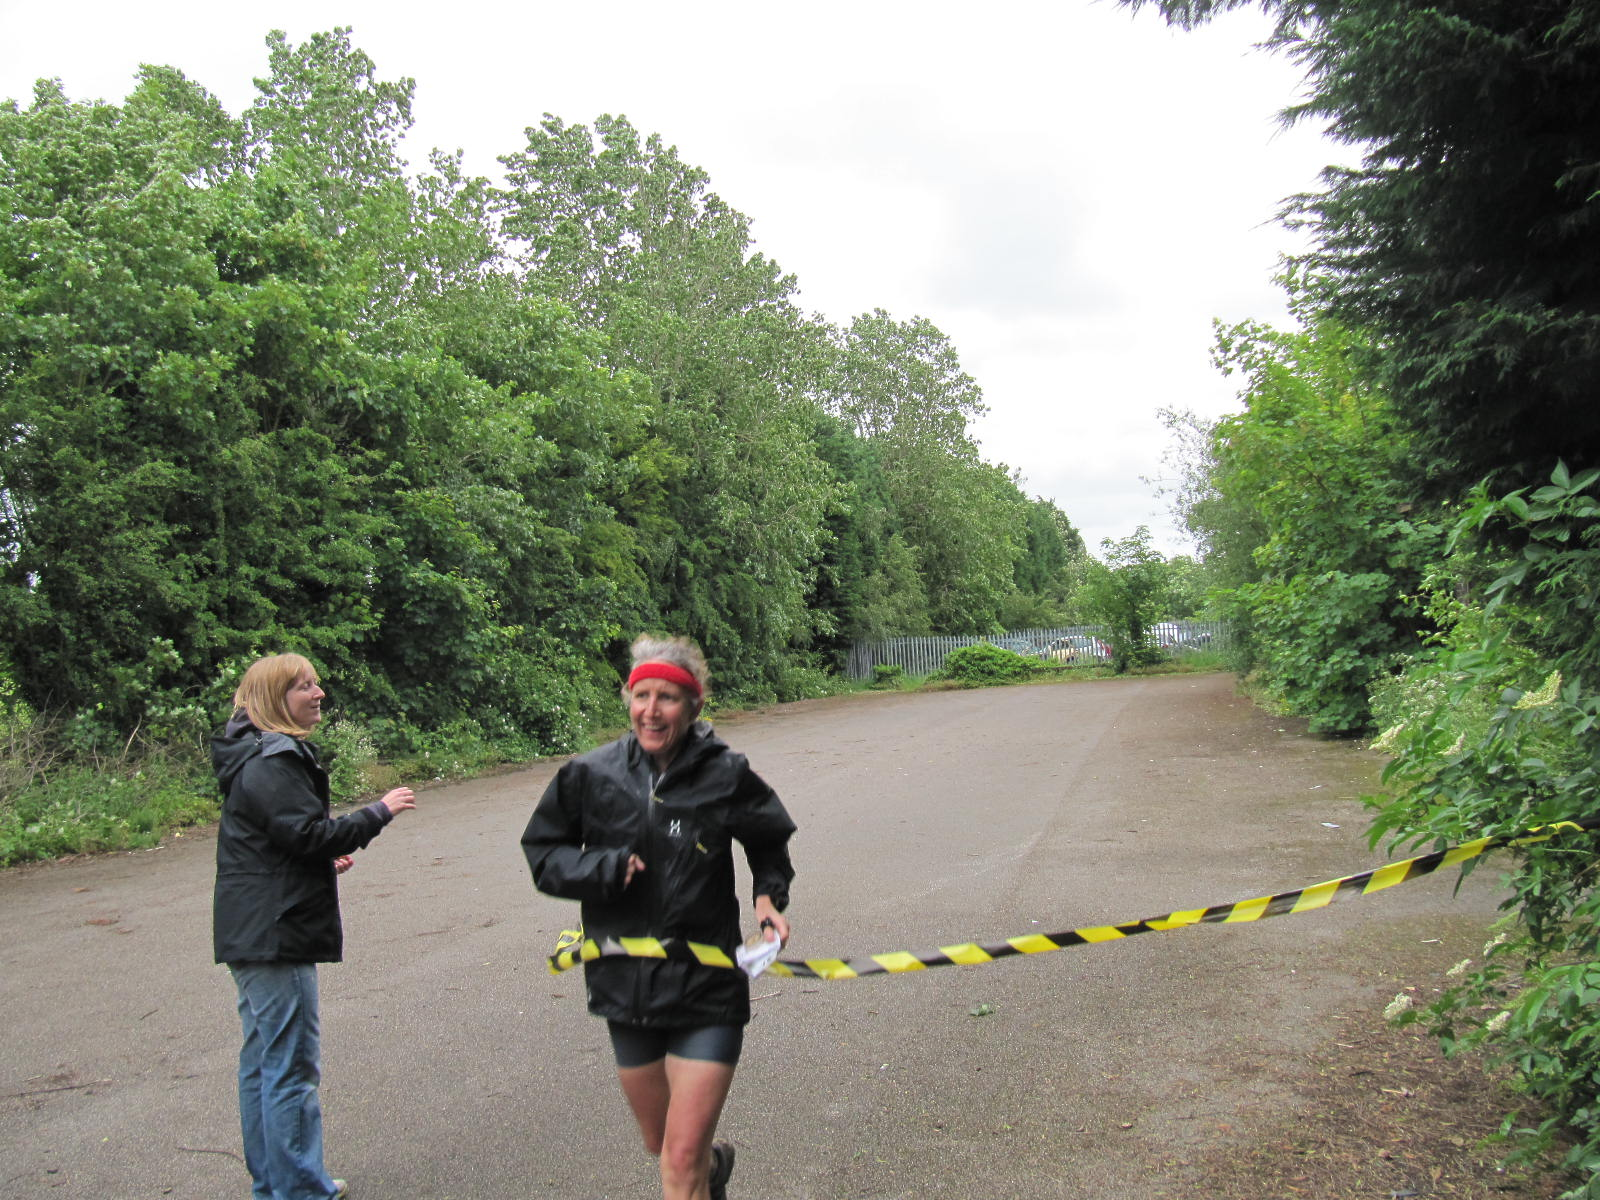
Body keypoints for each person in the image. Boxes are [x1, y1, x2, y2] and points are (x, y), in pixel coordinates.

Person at [521, 634, 796, 1200]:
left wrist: (769, 899)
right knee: (661, 1142)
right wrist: (603, 868)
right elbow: (544, 854)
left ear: (693, 705)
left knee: (678, 1158)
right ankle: (712, 1169)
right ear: (628, 699)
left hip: (706, 983)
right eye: (641, 695)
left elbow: (768, 838)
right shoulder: (590, 774)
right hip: (625, 984)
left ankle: (695, 1167)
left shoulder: (725, 773)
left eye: (667, 698)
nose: (651, 710)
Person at [211, 653, 416, 1200]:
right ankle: (300, 1188)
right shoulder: (272, 759)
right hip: (274, 933)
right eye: (305, 686)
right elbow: (307, 835)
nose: (318, 693)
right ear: (276, 699)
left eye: (316, 683)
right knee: (290, 1064)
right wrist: (378, 812)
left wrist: (321, 857)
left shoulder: (252, 755)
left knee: (264, 1061)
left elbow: (281, 841)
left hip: (253, 926)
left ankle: (276, 1182)